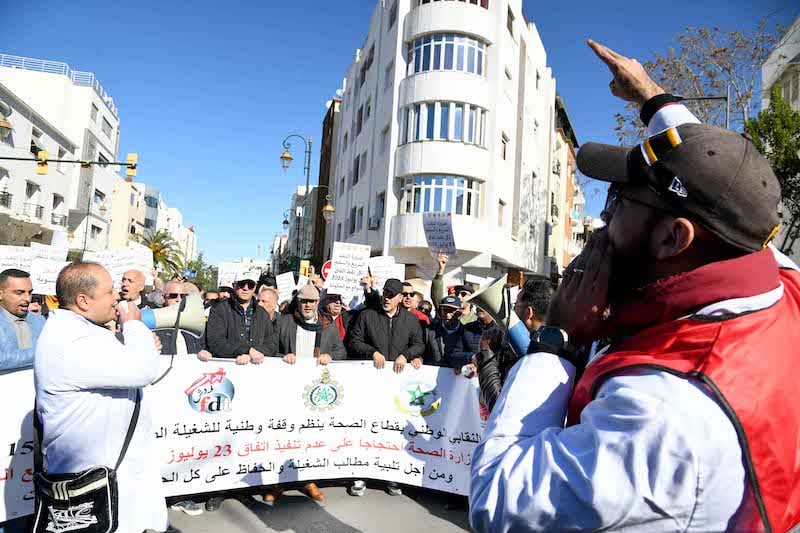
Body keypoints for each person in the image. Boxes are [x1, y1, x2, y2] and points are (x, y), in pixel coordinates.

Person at [469, 39, 800, 532]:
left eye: (618, 202)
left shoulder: (666, 413)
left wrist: (558, 341)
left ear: (674, 237)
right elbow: (727, 195)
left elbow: (498, 497)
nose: (601, 224)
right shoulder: (778, 282)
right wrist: (654, 99)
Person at [34, 262, 175, 533]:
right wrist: (134, 327)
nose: (117, 298)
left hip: (111, 474)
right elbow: (141, 370)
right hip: (92, 481)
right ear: (83, 301)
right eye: (109, 292)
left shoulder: (81, 332)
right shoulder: (72, 340)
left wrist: (134, 343)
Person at [263, 284, 346, 505]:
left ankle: (308, 481)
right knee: (282, 436)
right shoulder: (285, 322)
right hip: (287, 390)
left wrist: (330, 355)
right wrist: (283, 356)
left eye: (312, 301)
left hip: (314, 393)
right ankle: (276, 484)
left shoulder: (328, 325)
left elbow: (341, 350)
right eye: (304, 301)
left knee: (310, 438)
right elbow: (271, 348)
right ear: (298, 302)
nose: (308, 305)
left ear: (318, 303)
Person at [202, 273, 274, 512]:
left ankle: (248, 485)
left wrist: (255, 352)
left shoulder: (263, 314)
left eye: (249, 285)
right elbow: (214, 341)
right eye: (241, 284)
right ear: (234, 286)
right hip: (227, 384)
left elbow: (272, 344)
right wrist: (243, 350)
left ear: (255, 288)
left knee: (250, 435)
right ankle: (218, 489)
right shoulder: (220, 309)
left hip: (255, 384)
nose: (245, 288)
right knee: (222, 437)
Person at [347, 278, 425, 497]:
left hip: (397, 385)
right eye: (385, 294)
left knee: (393, 431)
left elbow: (419, 344)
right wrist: (372, 352)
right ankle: (360, 474)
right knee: (366, 427)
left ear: (401, 298)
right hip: (371, 383)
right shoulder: (367, 315)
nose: (387, 298)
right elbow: (353, 341)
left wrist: (406, 355)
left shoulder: (410, 321)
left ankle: (392, 477)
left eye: (392, 295)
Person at [474, 277, 553, 412]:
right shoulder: (555, 346)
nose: (513, 311)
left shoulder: (536, 356)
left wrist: (486, 352)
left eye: (515, 306)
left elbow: (497, 406)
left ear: (529, 313)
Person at [0, 269, 46, 371]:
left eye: (29, 293)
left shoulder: (39, 321)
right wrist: (43, 354)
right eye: (19, 293)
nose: (27, 298)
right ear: (1, 294)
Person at [424, 295, 471, 369]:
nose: (447, 315)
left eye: (451, 311)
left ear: (459, 313)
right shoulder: (431, 330)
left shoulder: (466, 333)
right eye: (445, 310)